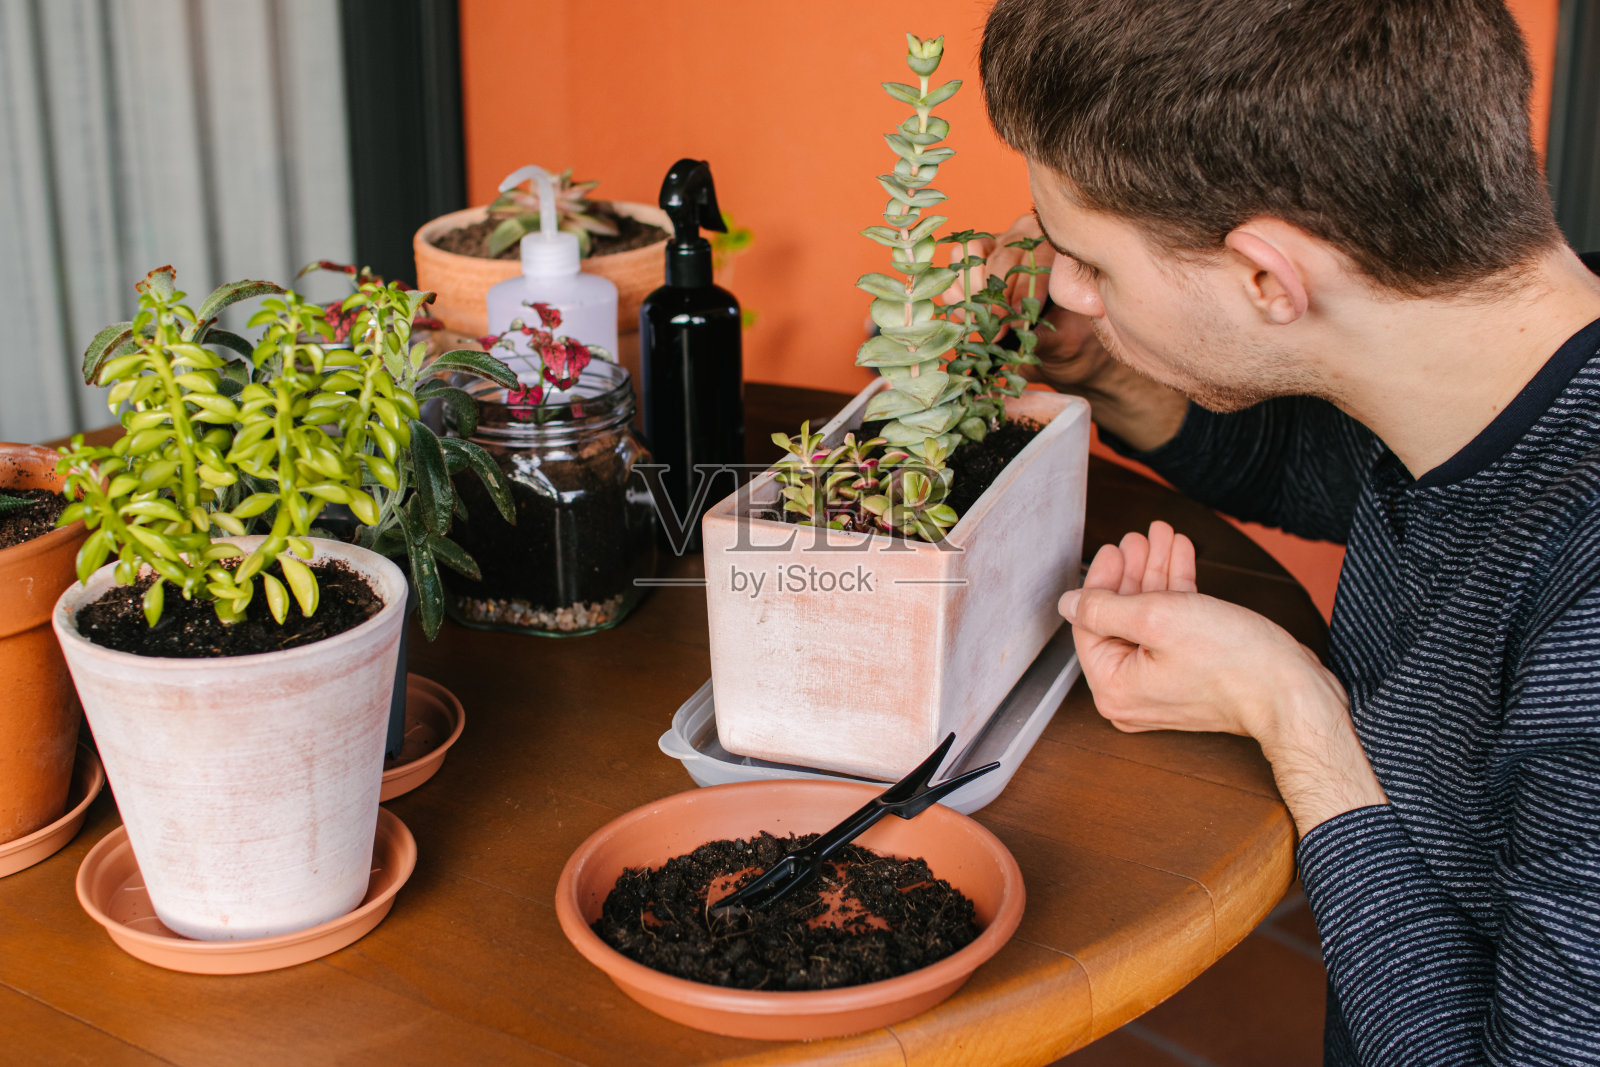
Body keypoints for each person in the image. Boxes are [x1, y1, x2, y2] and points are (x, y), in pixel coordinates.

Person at [974, 0, 1600, 1062]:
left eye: (1089, 260)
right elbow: (1362, 479)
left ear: (1269, 276)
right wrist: (1111, 369)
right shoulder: (1507, 358)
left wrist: (1293, 711)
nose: (1064, 285)